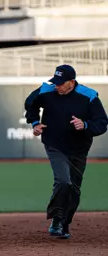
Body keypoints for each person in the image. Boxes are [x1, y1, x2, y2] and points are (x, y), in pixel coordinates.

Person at [24, 64, 108, 239]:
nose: (57, 86)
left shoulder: (88, 96)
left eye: (61, 83)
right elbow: (30, 104)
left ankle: (65, 223)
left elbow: (102, 123)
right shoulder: (47, 90)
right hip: (54, 144)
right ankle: (56, 219)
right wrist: (34, 122)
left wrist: (85, 125)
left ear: (72, 82)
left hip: (79, 148)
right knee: (63, 181)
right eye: (56, 82)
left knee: (74, 190)